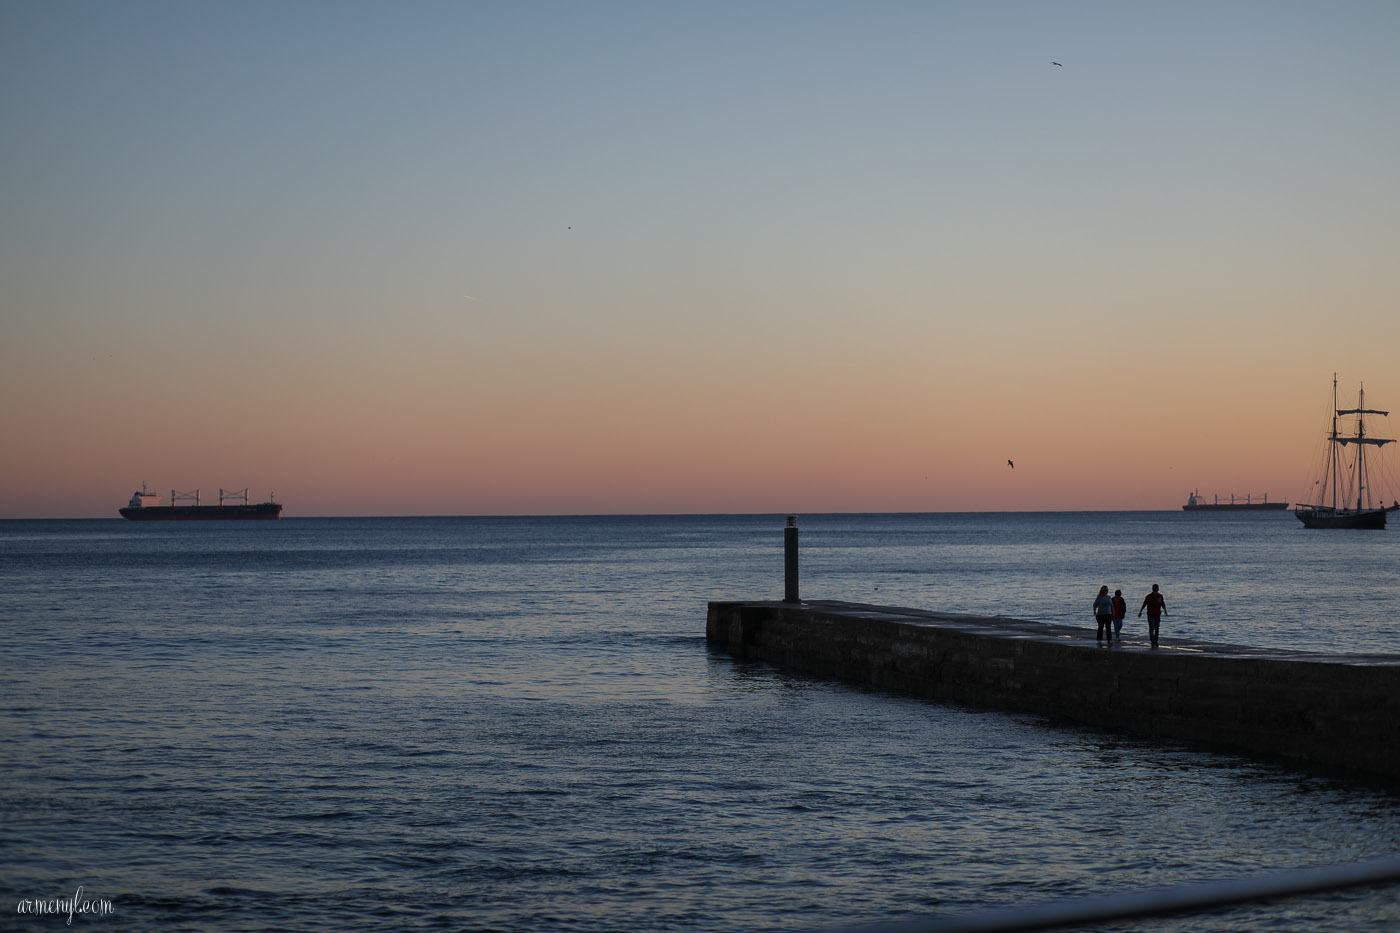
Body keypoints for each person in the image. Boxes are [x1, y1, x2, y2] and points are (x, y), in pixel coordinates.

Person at [1138, 584, 1167, 648]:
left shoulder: (1159, 596)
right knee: (1152, 628)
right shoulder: (1149, 596)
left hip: (1156, 615)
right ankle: (1153, 641)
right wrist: (1140, 612)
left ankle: (1155, 641)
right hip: (1151, 615)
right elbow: (1144, 604)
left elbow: (1163, 604)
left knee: (1156, 628)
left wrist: (1165, 610)